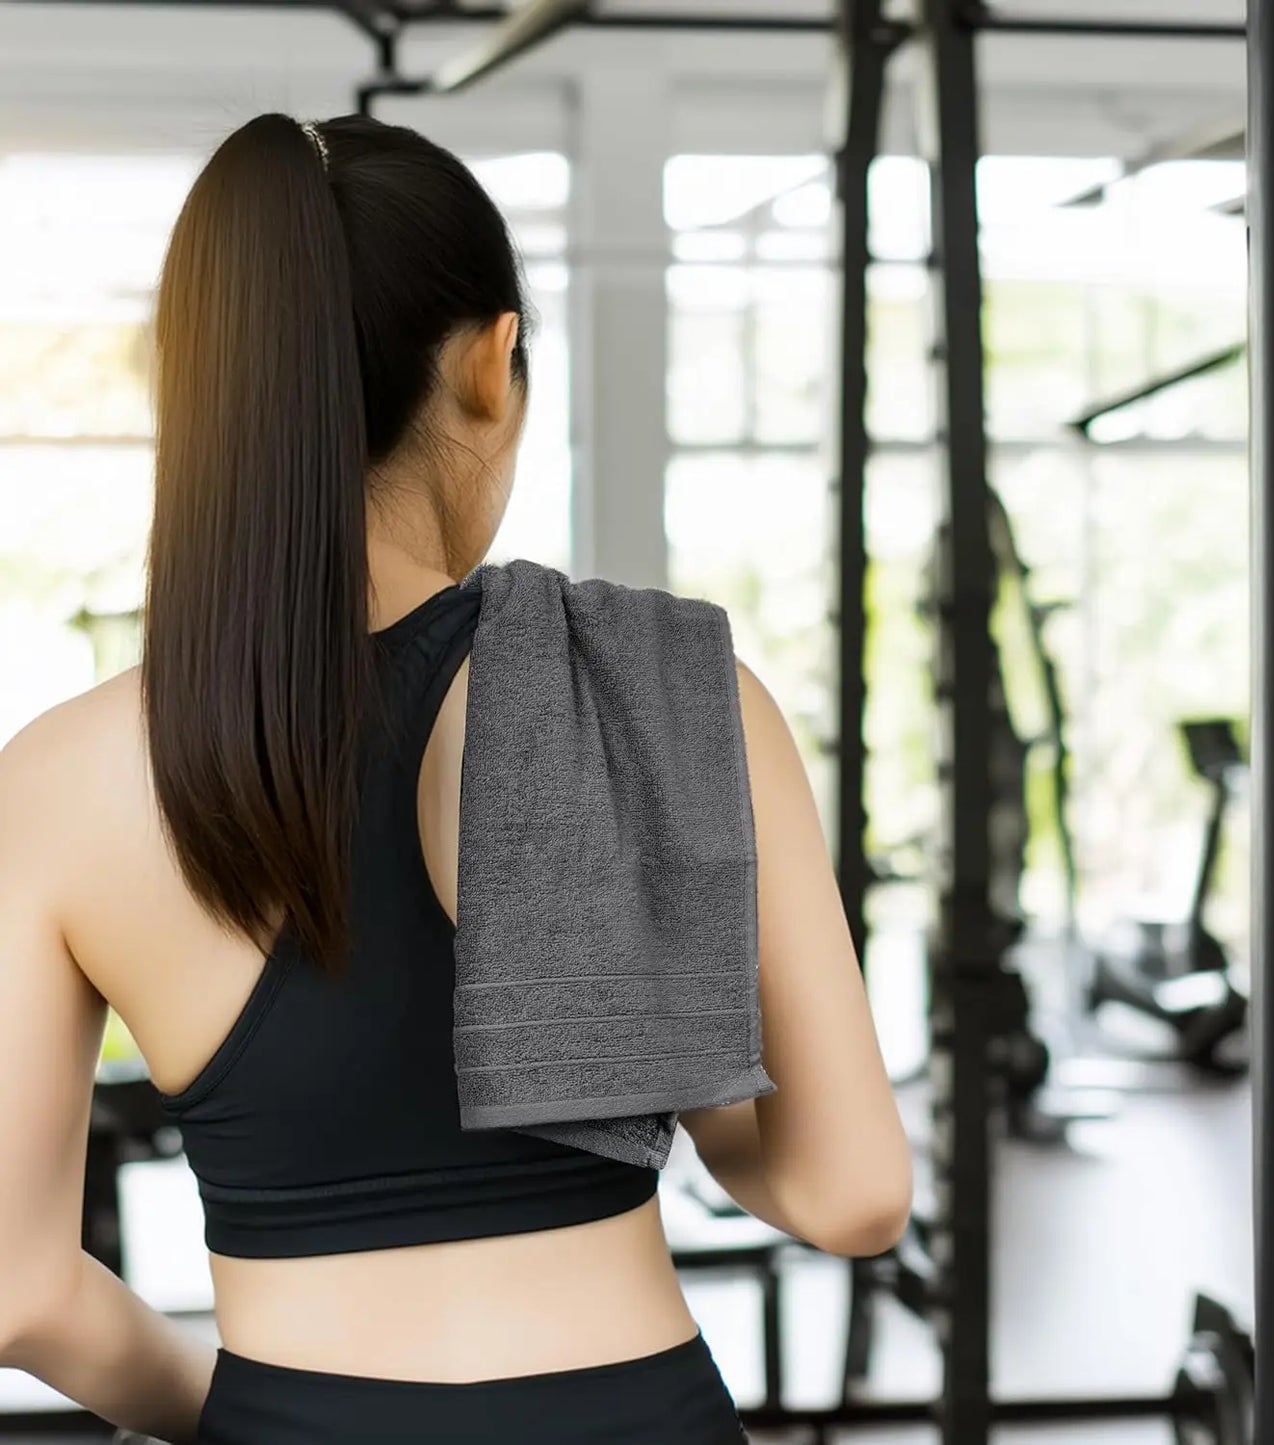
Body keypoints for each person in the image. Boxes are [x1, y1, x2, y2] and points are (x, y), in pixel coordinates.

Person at [0, 114, 912, 1443]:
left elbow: (20, 1292)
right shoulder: (670, 689)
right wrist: (690, 1096)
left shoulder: (58, 779)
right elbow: (853, 1192)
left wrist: (250, 1414)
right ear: (490, 366)